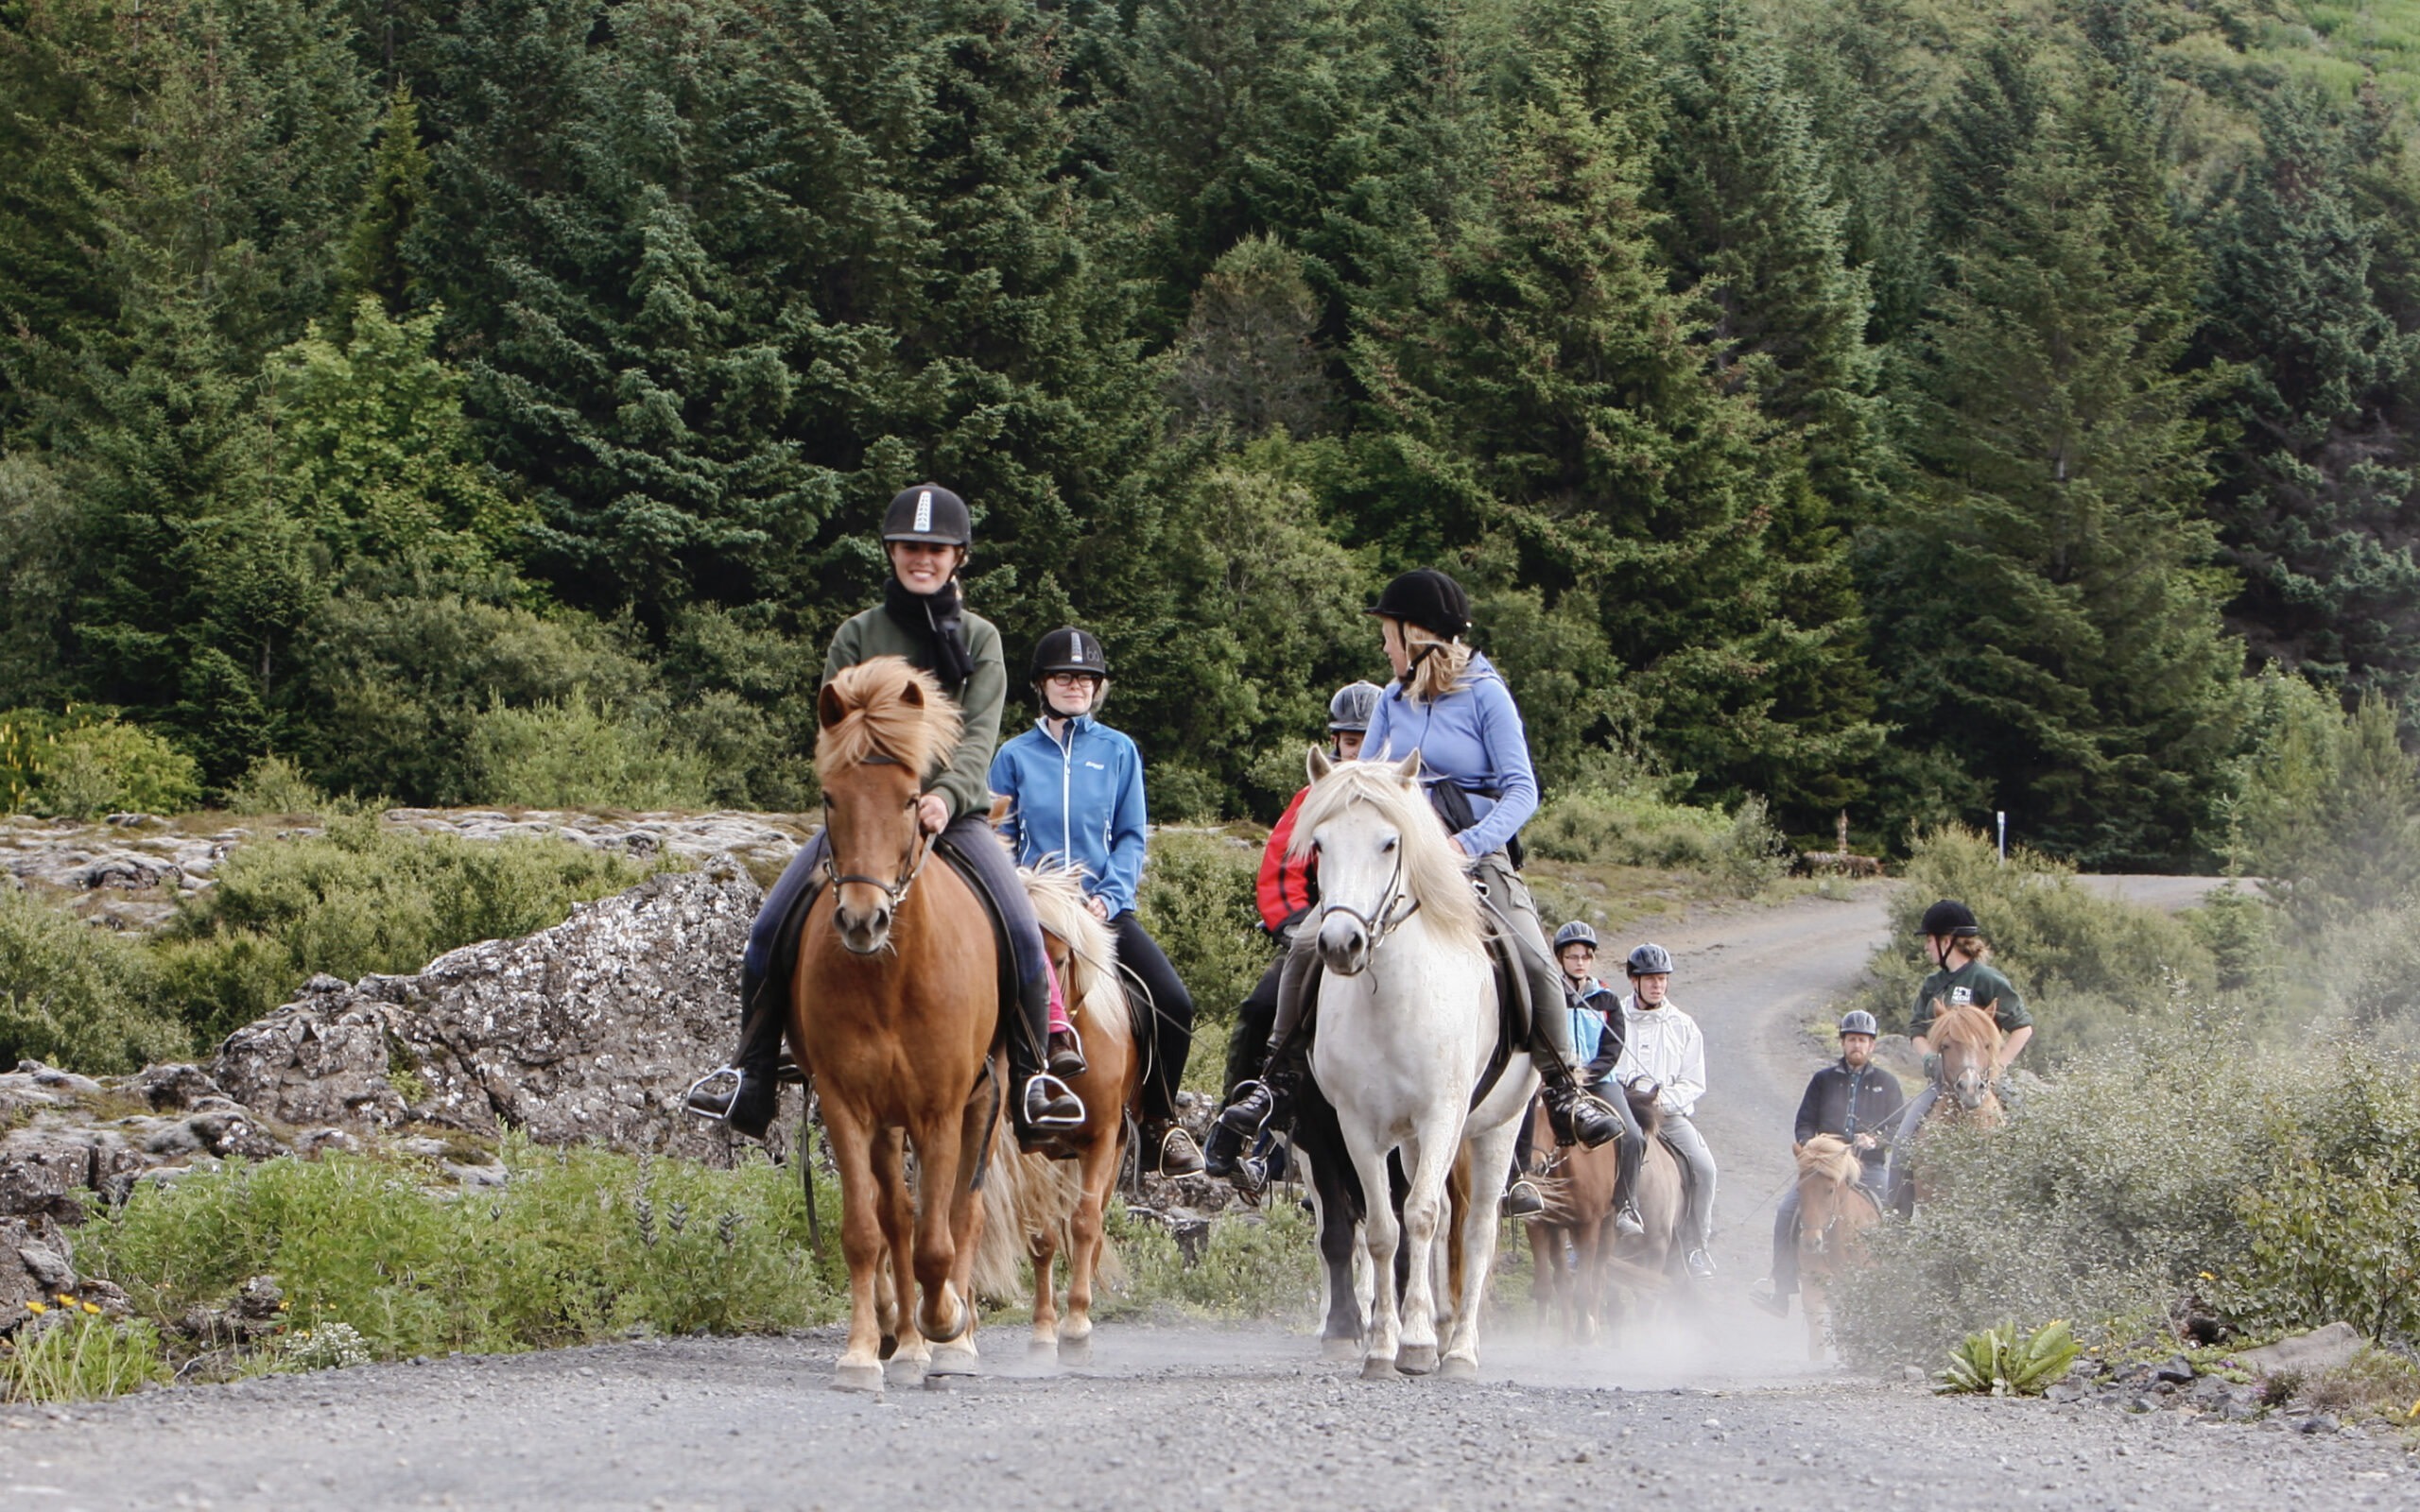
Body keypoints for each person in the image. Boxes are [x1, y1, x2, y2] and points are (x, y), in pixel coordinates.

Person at [684, 484, 1082, 1144]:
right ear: (891, 552)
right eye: (909, 547)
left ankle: (1034, 1079)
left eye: (935, 549)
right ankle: (750, 1073)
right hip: (867, 820)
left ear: (958, 557)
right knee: (768, 931)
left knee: (1019, 929)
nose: (921, 559)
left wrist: (943, 796)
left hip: (950, 817)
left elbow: (978, 738)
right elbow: (835, 731)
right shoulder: (857, 635)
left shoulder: (981, 640)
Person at [1218, 569, 1622, 1155]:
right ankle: (1275, 1080)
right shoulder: (1391, 698)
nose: (1384, 647)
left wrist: (1469, 844)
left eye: (1389, 634)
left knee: (1533, 953)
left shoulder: (1487, 695)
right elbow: (1365, 783)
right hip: (1396, 855)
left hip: (1469, 854)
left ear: (1419, 636)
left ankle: (1563, 1089)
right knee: (1309, 942)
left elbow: (1522, 791)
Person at [989, 627, 1203, 1176]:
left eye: (1086, 678)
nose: (1076, 686)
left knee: (1174, 1002)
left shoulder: (1118, 751)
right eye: (1064, 677)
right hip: (1033, 914)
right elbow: (998, 837)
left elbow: (1131, 836)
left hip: (1099, 913)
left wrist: (1108, 898)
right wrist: (1019, 896)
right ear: (1042, 685)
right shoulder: (1013, 756)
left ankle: (1159, 1121)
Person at [1201, 682, 1380, 1182]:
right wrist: (1297, 925)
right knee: (1260, 1007)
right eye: (1351, 741)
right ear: (1335, 742)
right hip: (1329, 918)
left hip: (1389, 925)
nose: (1358, 753)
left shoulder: (1404, 799)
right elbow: (1281, 868)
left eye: (1369, 742)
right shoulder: (1312, 798)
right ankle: (1243, 1114)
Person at [1750, 1009, 1903, 1318]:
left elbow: (1897, 1127)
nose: (1857, 1045)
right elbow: (1804, 1122)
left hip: (1868, 1167)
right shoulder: (1823, 1080)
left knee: (1897, 1214)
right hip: (1825, 1168)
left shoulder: (1887, 1083)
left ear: (1872, 1045)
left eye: (1863, 1040)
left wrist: (1877, 1140)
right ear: (1842, 1043)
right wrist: (1810, 1147)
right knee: (1786, 1212)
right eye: (1851, 1039)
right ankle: (1782, 1289)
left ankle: (1898, 1291)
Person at [1884, 899, 2034, 1211]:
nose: (1926, 947)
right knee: (1902, 1142)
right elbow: (1917, 1030)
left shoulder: (1987, 980)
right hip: (1944, 1083)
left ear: (1947, 941)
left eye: (1929, 939)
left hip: (1986, 1080)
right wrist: (1929, 1059)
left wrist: (1998, 1066)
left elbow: (2023, 1028)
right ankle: (1897, 1223)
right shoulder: (1933, 984)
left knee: (2031, 1132)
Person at [1502, 921, 1639, 1220]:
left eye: (1585, 957)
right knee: (1519, 1114)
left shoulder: (1607, 1000)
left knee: (1632, 1134)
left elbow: (1612, 1048)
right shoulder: (1548, 997)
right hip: (1553, 1080)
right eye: (1573, 957)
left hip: (1598, 1081)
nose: (1580, 963)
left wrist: (1588, 1074)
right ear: (1561, 959)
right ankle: (1515, 1183)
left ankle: (1626, 1203)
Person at [1612, 943, 1719, 1278]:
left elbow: (1694, 1082)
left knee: (1705, 1168)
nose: (1657, 984)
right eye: (1650, 979)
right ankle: (1575, 1241)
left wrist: (1663, 1101)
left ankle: (1697, 1247)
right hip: (1620, 1112)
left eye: (1662, 978)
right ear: (1634, 981)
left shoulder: (1684, 1026)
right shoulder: (1612, 1018)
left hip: (1667, 1117)